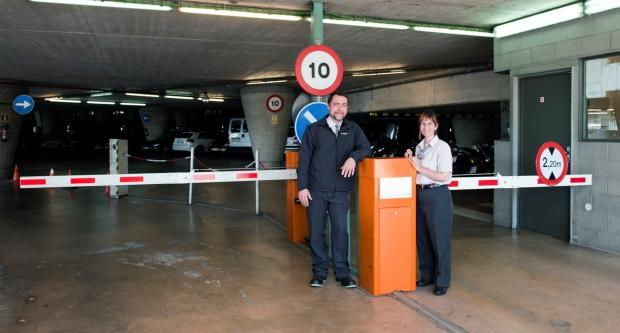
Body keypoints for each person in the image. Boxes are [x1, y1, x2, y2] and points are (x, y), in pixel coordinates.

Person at [297, 92, 371, 288]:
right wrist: (302, 188)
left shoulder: (352, 128)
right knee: (316, 233)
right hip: (316, 191)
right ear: (329, 107)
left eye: (344, 105)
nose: (340, 108)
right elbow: (303, 161)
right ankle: (319, 273)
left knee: (340, 233)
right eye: (336, 104)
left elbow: (366, 148)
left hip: (340, 191)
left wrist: (353, 157)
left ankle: (342, 274)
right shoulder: (314, 129)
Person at [404, 110, 453, 296]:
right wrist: (410, 160)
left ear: (436, 126)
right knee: (422, 239)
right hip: (420, 195)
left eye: (430, 124)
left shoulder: (442, 148)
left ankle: (442, 281)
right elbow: (416, 173)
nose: (426, 127)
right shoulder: (419, 147)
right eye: (423, 124)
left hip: (437, 195)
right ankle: (426, 275)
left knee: (439, 240)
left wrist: (420, 167)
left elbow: (445, 176)